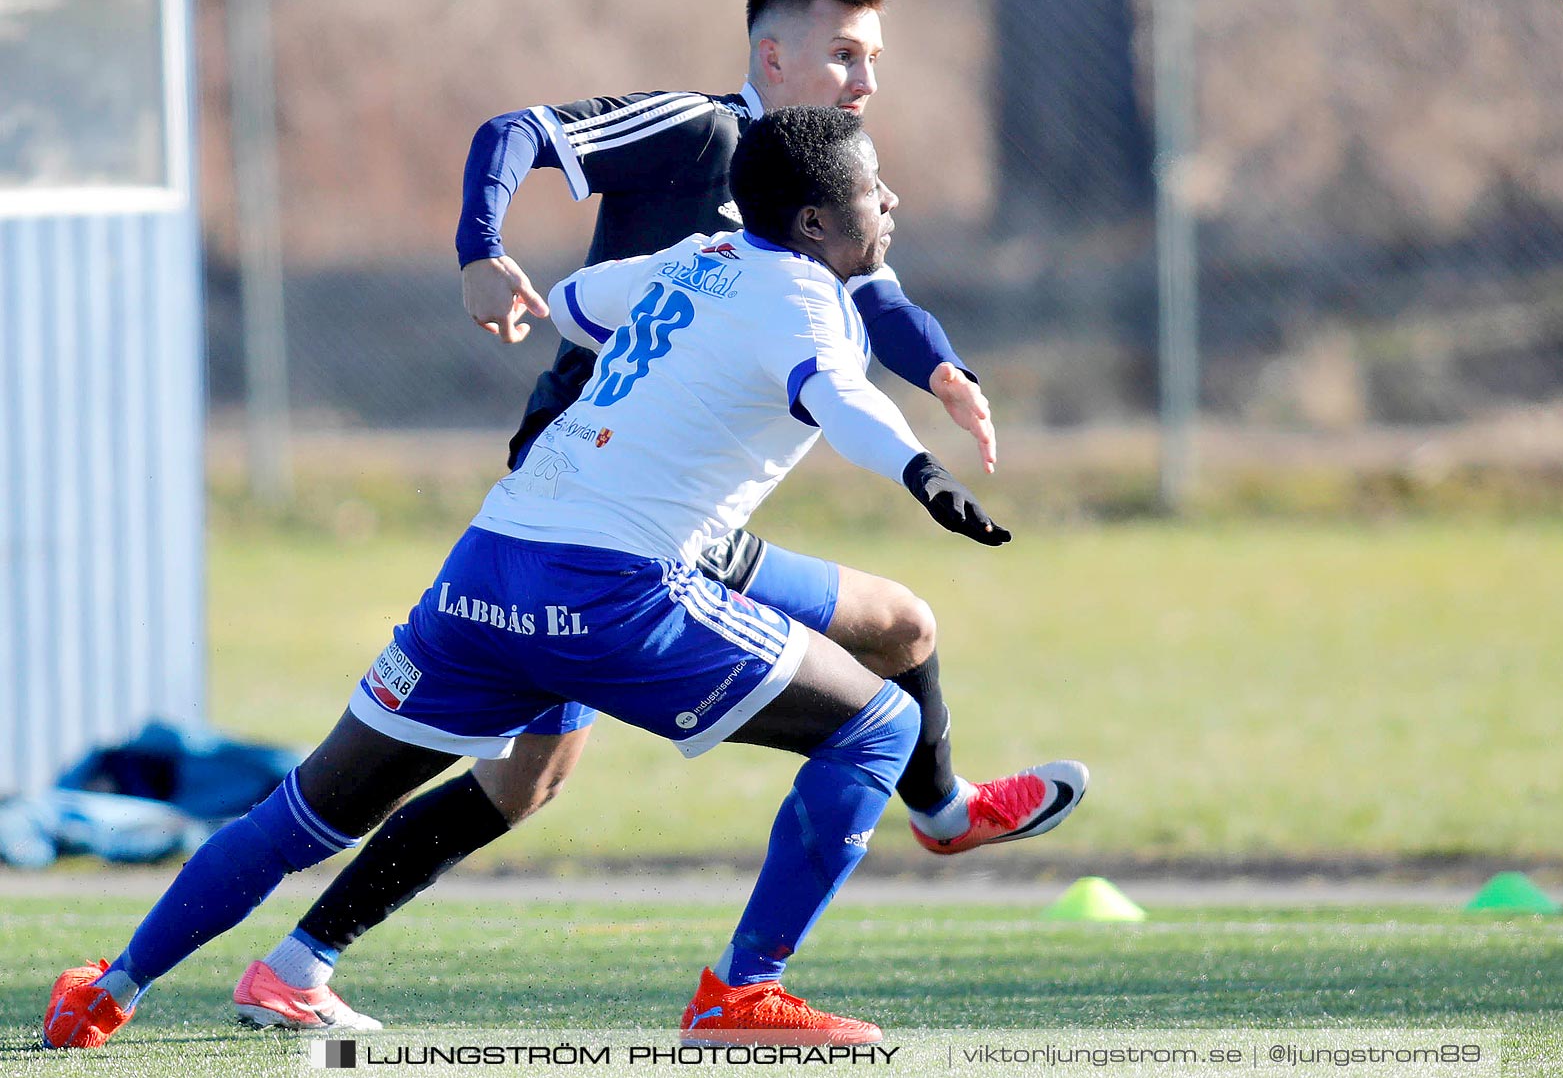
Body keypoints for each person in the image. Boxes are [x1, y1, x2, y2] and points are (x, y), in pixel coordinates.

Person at [44, 107, 1031, 1050]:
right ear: (817, 220)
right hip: (612, 588)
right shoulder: (807, 300)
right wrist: (920, 471)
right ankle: (741, 991)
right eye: (875, 188)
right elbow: (841, 400)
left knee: (306, 812)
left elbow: (576, 304)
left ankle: (108, 988)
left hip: (486, 567)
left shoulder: (697, 258)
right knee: (881, 726)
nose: (893, 201)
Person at [228, 0, 1086, 1033]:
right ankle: (303, 958)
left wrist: (947, 372)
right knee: (521, 780)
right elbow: (513, 133)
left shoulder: (821, 178)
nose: (866, 80)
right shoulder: (696, 133)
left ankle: (945, 811)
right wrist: (479, 252)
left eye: (875, 59)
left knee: (897, 627)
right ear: (775, 57)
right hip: (588, 510)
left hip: (674, 519)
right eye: (846, 54)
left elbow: (881, 300)